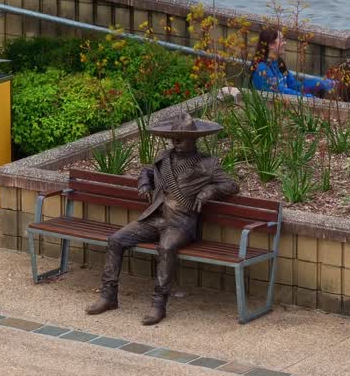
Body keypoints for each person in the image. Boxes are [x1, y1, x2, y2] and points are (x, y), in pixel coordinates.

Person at [85, 112, 239, 325]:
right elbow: (147, 171)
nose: (175, 142)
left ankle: (158, 305)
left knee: (166, 248)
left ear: (194, 139)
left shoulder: (208, 164)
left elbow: (232, 185)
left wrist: (210, 190)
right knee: (116, 240)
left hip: (181, 223)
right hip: (154, 218)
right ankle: (108, 296)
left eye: (180, 138)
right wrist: (144, 184)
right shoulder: (163, 158)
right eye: (173, 138)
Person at [251, 28, 334, 98]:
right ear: (271, 45)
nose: (285, 43)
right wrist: (308, 98)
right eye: (281, 40)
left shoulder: (279, 63)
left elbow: (293, 84)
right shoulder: (262, 68)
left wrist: (321, 83)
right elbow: (280, 92)